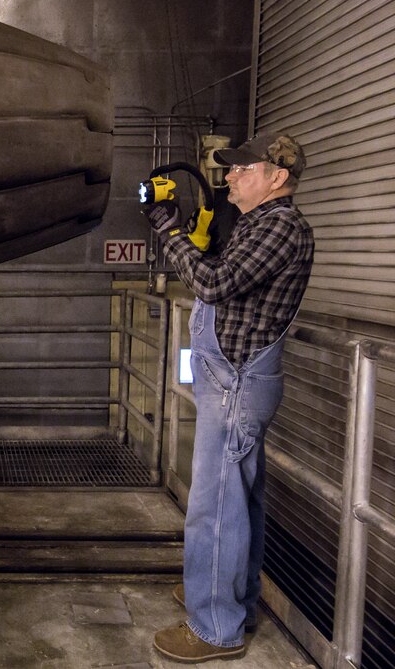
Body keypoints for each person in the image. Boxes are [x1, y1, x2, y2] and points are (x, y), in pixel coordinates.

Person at [142, 132, 314, 663]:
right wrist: (193, 229)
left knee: (215, 507)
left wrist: (169, 231)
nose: (231, 176)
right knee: (239, 498)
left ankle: (216, 626)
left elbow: (215, 285)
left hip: (239, 384)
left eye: (244, 169)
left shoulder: (281, 226)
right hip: (231, 379)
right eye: (231, 169)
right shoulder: (257, 223)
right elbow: (222, 273)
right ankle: (227, 593)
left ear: (277, 178)